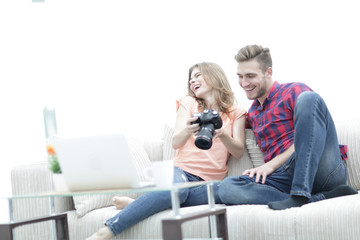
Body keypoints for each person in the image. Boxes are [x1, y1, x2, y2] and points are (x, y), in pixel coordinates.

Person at [87, 62, 246, 239]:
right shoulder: (189, 102)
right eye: (191, 78)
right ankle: (107, 230)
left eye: (198, 75)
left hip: (208, 183)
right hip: (181, 172)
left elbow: (238, 151)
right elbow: (176, 142)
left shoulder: (236, 112)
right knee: (178, 190)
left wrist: (223, 134)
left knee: (227, 191)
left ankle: (142, 203)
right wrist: (187, 130)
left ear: (214, 76)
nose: (193, 81)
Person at [218, 45, 358, 210]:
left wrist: (270, 165)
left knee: (309, 99)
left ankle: (300, 194)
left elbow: (313, 134)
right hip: (284, 178)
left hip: (321, 170)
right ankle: (316, 198)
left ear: (268, 72)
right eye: (240, 76)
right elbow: (231, 123)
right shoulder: (253, 113)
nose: (244, 83)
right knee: (227, 188)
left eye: (250, 76)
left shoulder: (294, 91)